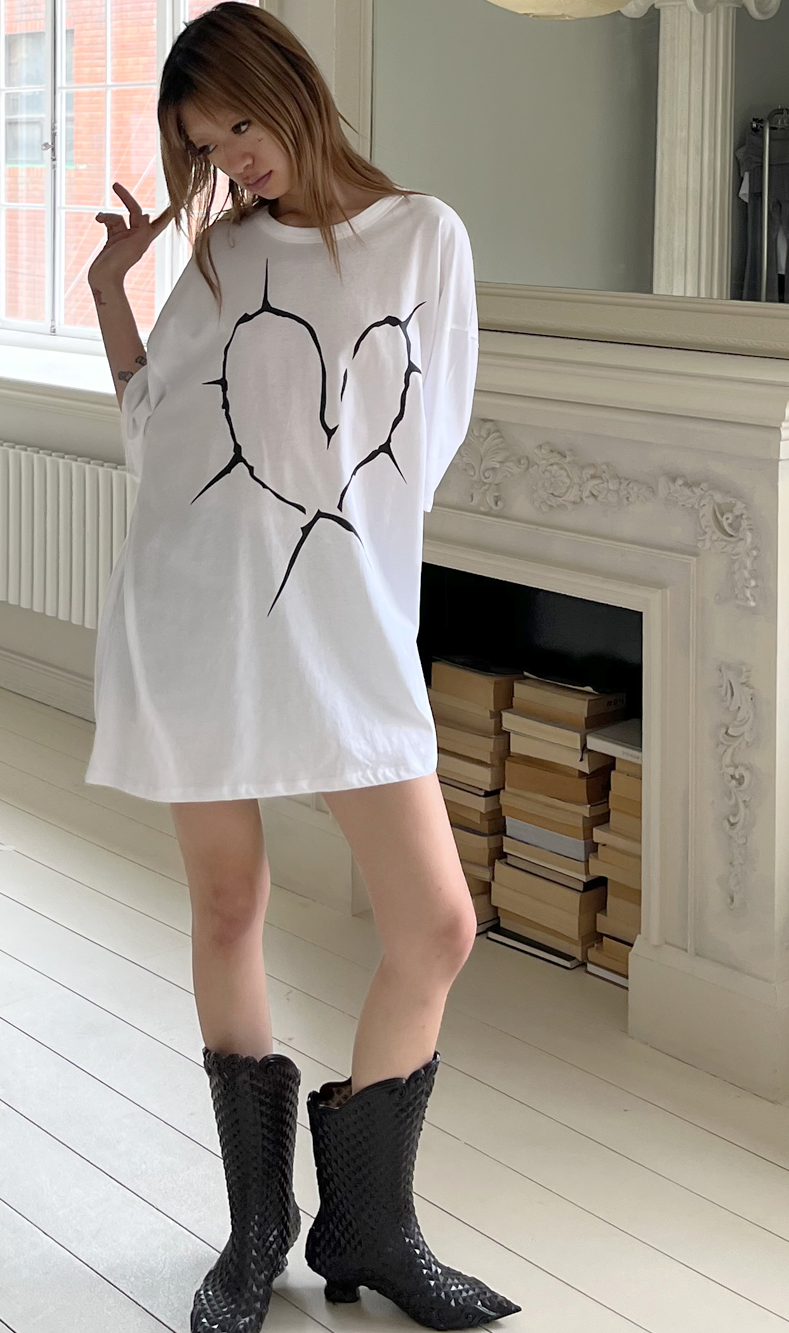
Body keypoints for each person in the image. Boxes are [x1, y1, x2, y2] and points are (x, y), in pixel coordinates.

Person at [84, 4, 522, 1331]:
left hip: (340, 621)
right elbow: (155, 431)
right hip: (195, 613)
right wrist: (112, 291)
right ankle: (254, 1229)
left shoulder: (424, 237)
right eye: (206, 143)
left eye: (241, 122)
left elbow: (419, 451)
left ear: (294, 87)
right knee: (230, 908)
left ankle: (370, 1227)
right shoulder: (220, 252)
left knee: (435, 925)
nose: (234, 157)